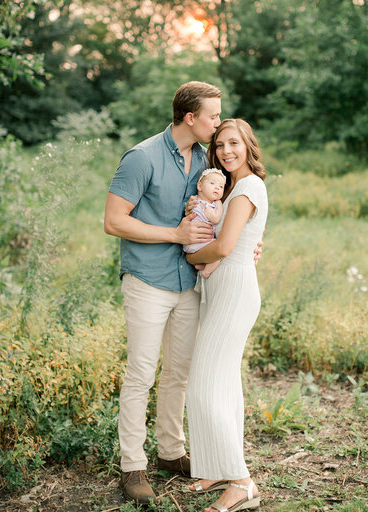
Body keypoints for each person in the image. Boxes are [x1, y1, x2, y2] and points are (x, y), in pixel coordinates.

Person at [104, 81, 222, 504]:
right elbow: (114, 221)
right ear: (190, 117)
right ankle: (132, 467)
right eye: (213, 115)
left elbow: (215, 216)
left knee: (178, 373)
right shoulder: (142, 157)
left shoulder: (206, 160)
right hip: (148, 281)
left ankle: (171, 452)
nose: (218, 122)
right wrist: (173, 233)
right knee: (141, 374)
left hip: (188, 284)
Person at [185, 118, 268, 512]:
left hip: (234, 290)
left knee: (204, 382)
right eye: (219, 145)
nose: (225, 151)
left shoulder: (249, 186)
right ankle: (217, 466)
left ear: (248, 145)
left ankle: (242, 482)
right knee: (223, 383)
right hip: (220, 290)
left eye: (233, 143)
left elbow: (222, 249)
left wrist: (186, 251)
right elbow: (236, 240)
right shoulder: (230, 188)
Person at [183, 168, 226, 279]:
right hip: (199, 242)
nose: (217, 187)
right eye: (212, 183)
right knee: (218, 252)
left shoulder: (194, 201)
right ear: (199, 186)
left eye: (221, 186)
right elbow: (216, 219)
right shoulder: (206, 206)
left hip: (191, 244)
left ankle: (200, 265)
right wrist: (220, 205)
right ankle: (207, 271)